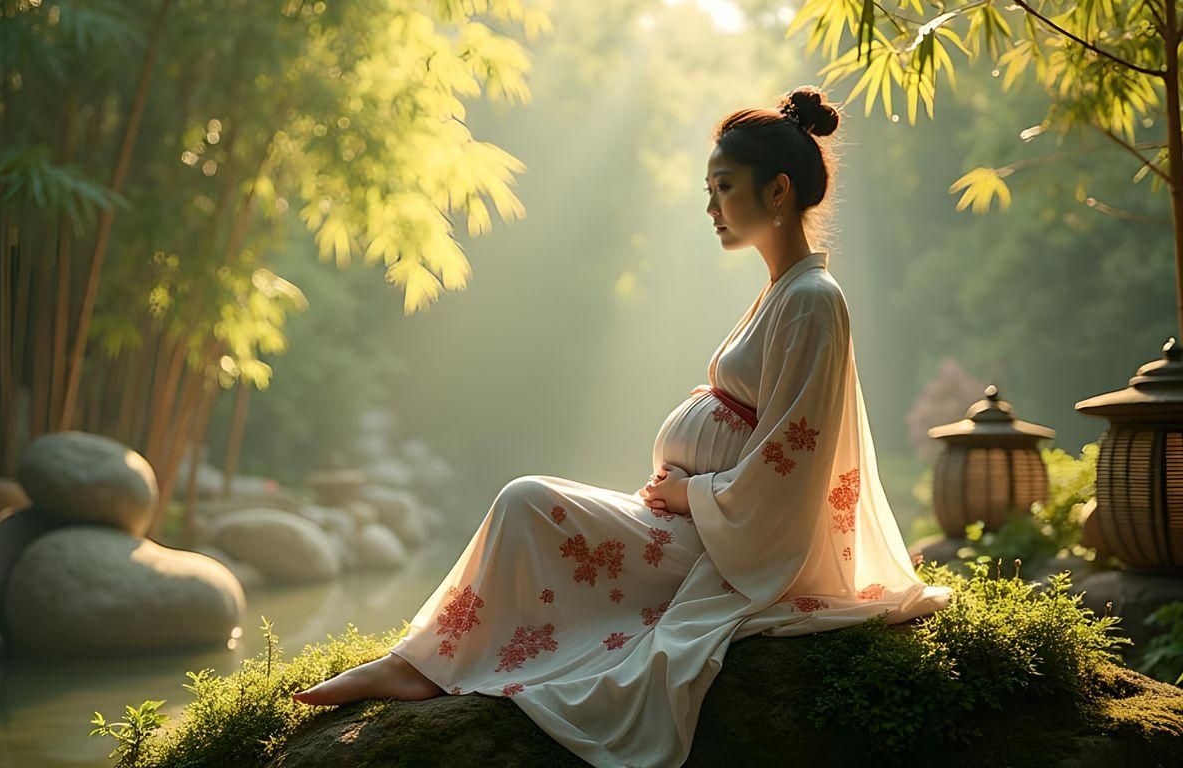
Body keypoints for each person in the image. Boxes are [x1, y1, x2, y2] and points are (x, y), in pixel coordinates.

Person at [291, 85, 953, 767]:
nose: (711, 208)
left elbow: (791, 463)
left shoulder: (812, 302)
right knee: (529, 504)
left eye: (723, 187)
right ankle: (421, 660)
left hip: (731, 550)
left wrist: (691, 495)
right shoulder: (783, 293)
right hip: (705, 523)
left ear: (777, 191)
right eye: (709, 189)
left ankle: (417, 669)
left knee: (527, 502)